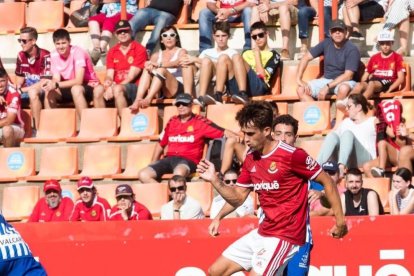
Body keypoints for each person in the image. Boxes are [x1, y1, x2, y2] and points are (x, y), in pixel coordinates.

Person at [198, 101, 347, 275]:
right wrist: (216, 184)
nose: (245, 139)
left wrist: (340, 221)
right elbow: (238, 196)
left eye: (251, 134)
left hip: (286, 236)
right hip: (263, 232)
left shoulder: (292, 155)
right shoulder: (251, 158)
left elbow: (327, 182)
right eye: (244, 133)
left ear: (267, 131)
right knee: (215, 271)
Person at [138, 93, 232, 183]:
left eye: (184, 103)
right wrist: (153, 163)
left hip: (188, 160)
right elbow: (160, 144)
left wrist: (239, 136)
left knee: (178, 174)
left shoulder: (200, 122)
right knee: (143, 174)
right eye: (178, 104)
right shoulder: (172, 121)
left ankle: (174, 194)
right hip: (169, 158)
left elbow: (223, 132)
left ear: (191, 105)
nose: (181, 106)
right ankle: (165, 195)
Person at [296, 19, 360, 111]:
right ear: (330, 33)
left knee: (343, 88)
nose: (337, 33)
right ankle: (319, 115)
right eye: (334, 30)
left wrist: (327, 86)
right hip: (326, 80)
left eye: (340, 30)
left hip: (344, 82)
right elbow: (305, 57)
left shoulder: (352, 49)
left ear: (346, 32)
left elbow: (348, 76)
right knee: (301, 90)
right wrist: (298, 78)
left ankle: (339, 118)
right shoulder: (326, 43)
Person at [129, 26, 194, 111]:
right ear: (161, 40)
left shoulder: (182, 51)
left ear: (176, 38)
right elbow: (151, 68)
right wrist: (149, 65)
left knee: (161, 70)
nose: (169, 38)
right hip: (159, 89)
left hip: (175, 87)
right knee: (147, 69)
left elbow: (177, 62)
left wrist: (159, 65)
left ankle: (148, 98)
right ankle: (138, 99)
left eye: (172, 35)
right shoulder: (156, 55)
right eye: (165, 35)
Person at [39, 29, 99, 119]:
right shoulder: (53, 54)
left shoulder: (78, 52)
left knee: (76, 89)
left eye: (64, 43)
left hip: (89, 84)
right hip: (68, 86)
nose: (61, 46)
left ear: (69, 42)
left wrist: (56, 84)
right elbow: (56, 78)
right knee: (49, 91)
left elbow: (79, 80)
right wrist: (50, 84)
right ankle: (51, 127)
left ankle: (86, 125)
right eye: (58, 44)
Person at [93, 20, 147, 115]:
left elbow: (131, 77)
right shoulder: (112, 51)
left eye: (125, 31)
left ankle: (124, 123)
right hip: (116, 86)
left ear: (131, 32)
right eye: (119, 32)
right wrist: (108, 82)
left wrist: (113, 87)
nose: (122, 34)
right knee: (98, 90)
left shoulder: (140, 49)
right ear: (115, 34)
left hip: (134, 87)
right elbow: (110, 74)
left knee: (117, 89)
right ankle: (104, 125)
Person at [317, 94, 377, 178]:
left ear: (359, 107)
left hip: (366, 159)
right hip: (348, 159)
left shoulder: (373, 121)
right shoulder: (346, 122)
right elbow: (333, 139)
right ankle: (317, 168)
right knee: (331, 135)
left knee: (347, 134)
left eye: (349, 106)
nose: (346, 109)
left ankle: (341, 167)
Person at [181, 21, 238, 108]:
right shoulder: (206, 52)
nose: (220, 39)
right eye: (218, 36)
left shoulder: (232, 53)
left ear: (228, 36)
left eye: (223, 36)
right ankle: (186, 97)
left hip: (216, 86)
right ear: (213, 36)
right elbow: (199, 67)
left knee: (206, 61)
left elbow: (226, 70)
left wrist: (197, 60)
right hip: (199, 83)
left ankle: (201, 98)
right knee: (187, 64)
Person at [226, 21, 281, 104]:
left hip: (259, 86)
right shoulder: (246, 53)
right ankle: (218, 95)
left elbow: (263, 76)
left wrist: (257, 54)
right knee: (223, 58)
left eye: (261, 35)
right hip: (243, 84)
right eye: (254, 37)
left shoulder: (274, 55)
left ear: (267, 34)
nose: (258, 38)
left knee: (236, 57)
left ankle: (243, 94)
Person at [219, 101, 279, 174]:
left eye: (275, 115)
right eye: (272, 116)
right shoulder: (252, 125)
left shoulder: (279, 128)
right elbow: (246, 152)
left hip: (270, 158)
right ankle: (222, 174)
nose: (246, 138)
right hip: (251, 155)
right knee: (231, 141)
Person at [363, 99, 412, 177]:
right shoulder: (378, 123)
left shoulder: (400, 124)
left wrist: (393, 137)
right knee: (366, 166)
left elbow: (403, 148)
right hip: (385, 156)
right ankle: (378, 187)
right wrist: (380, 128)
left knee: (382, 143)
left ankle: (381, 169)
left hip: (398, 156)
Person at [350, 30, 405, 100]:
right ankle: (349, 103)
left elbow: (401, 78)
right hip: (373, 82)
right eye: (382, 43)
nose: (385, 46)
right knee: (358, 85)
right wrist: (363, 84)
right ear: (379, 44)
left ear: (392, 43)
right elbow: (365, 76)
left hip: (388, 82)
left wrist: (389, 90)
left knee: (372, 84)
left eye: (387, 43)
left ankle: (360, 104)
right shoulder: (374, 58)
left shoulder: (397, 57)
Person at [15, 27, 51, 127]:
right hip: (25, 90)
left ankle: (37, 129)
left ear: (33, 41)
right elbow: (19, 79)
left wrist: (22, 90)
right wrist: (17, 88)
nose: (21, 43)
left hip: (42, 90)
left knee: (33, 93)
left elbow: (45, 82)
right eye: (19, 40)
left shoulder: (45, 55)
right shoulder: (20, 55)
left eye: (24, 41)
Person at [88, 0, 138, 64]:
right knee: (93, 20)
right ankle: (96, 49)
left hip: (125, 11)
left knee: (109, 22)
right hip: (107, 12)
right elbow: (94, 2)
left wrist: (101, 1)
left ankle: (101, 48)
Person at [0, 68, 25, 147]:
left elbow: (9, 121)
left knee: (7, 130)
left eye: (2, 81)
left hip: (15, 126)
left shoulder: (14, 94)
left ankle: (6, 158)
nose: (0, 85)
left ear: (7, 80)